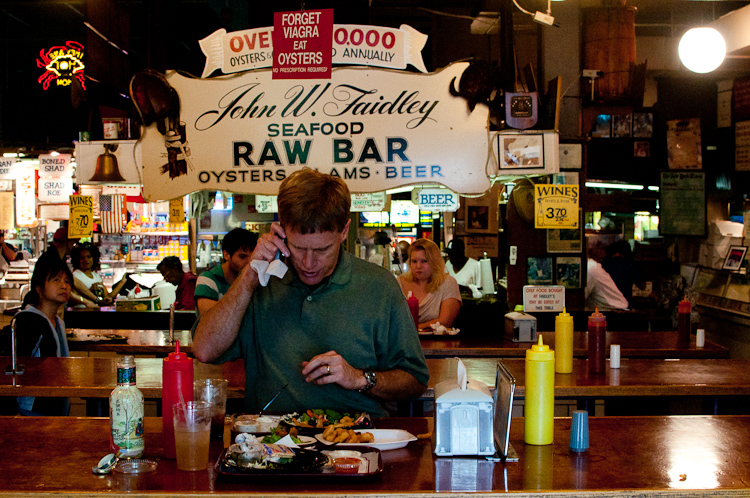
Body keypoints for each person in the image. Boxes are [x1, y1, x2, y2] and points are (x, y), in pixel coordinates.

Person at [193, 168, 429, 417]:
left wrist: (360, 379)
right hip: (271, 444)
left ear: (344, 231)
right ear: (280, 231)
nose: (308, 263)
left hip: (358, 440)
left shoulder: (379, 286)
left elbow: (414, 380)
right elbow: (204, 350)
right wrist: (250, 275)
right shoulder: (260, 283)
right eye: (298, 247)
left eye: (322, 250)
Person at [15, 251, 73, 416]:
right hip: (34, 408)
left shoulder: (57, 322)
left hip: (55, 404)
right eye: (56, 280)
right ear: (39, 289)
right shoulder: (29, 321)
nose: (64, 286)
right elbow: (19, 366)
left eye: (67, 281)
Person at [398, 238, 462, 329]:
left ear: (434, 262)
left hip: (436, 341)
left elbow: (445, 321)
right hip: (402, 341)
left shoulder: (447, 283)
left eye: (424, 261)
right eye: (414, 261)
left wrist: (414, 330)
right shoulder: (399, 283)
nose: (418, 266)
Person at [195, 228, 258, 316]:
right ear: (226, 255)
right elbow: (209, 317)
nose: (249, 262)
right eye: (242, 257)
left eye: (252, 257)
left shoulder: (257, 279)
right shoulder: (208, 279)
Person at [70, 242, 129, 307]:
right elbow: (72, 300)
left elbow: (108, 297)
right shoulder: (75, 275)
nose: (86, 260)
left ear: (94, 258)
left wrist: (122, 282)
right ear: (77, 260)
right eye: (82, 258)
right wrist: (91, 289)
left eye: (89, 257)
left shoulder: (96, 276)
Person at [601, 240, 646, 308]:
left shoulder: (602, 265)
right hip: (624, 306)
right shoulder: (630, 265)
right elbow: (642, 286)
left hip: (605, 306)